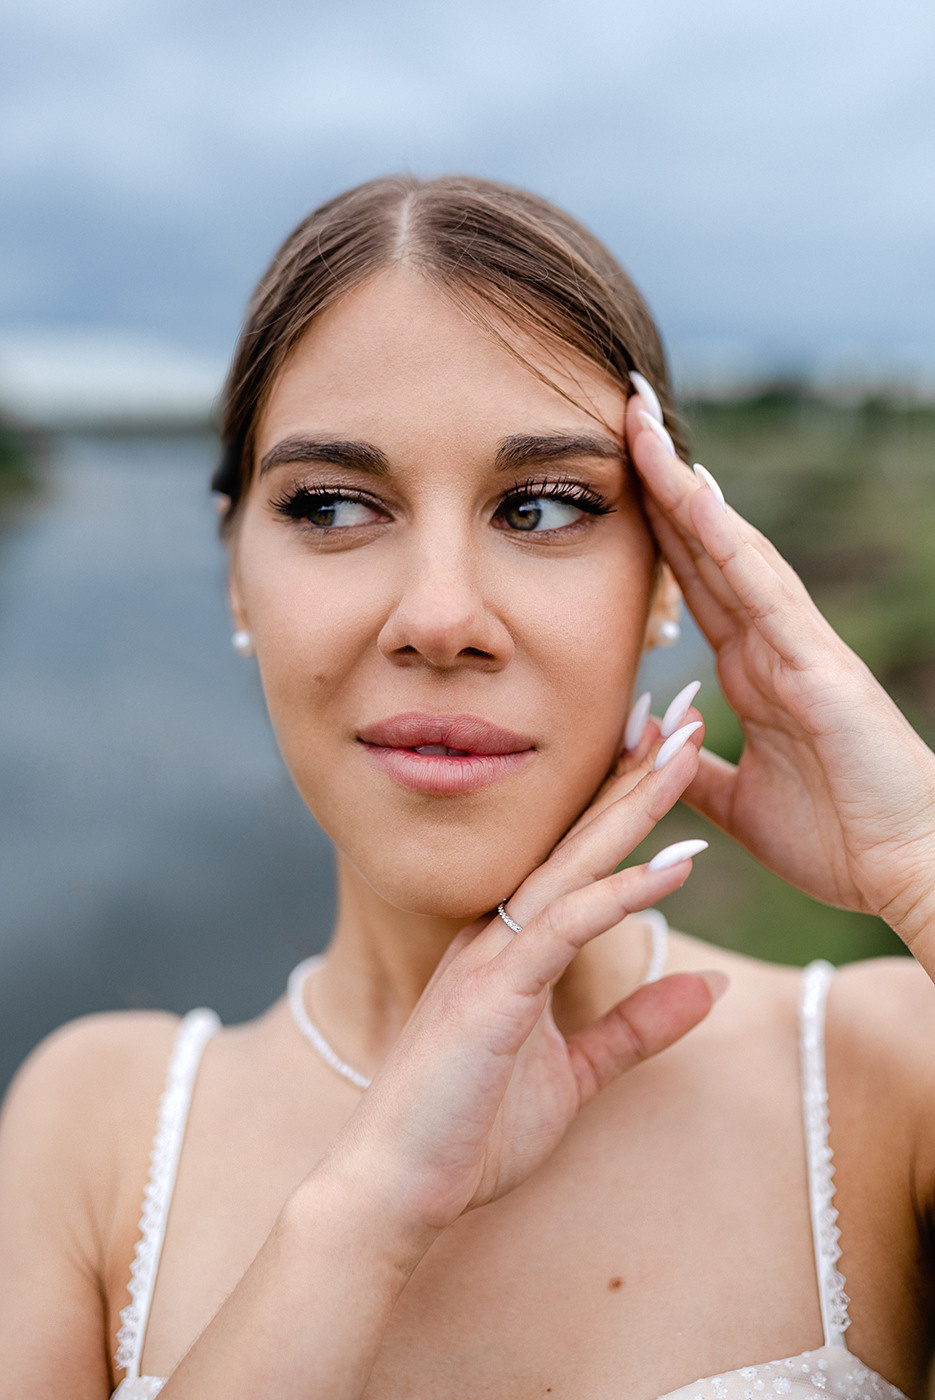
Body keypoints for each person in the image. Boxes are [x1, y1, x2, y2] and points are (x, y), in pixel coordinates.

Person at [1, 174, 934, 1400]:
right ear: (236, 574)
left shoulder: (884, 1070)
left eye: (542, 505)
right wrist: (365, 1209)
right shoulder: (91, 1131)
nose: (440, 618)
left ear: (670, 576)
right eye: (332, 504)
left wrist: (918, 857)